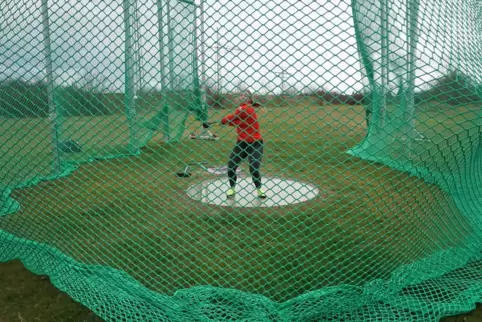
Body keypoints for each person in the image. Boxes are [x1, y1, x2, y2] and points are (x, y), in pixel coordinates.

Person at [219, 90, 266, 199]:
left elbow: (231, 118)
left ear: (249, 99)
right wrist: (228, 121)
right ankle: (232, 188)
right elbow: (236, 121)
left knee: (254, 169)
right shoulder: (243, 109)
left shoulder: (246, 108)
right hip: (242, 143)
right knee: (231, 167)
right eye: (241, 95)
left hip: (255, 144)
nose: (243, 96)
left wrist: (223, 121)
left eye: (245, 95)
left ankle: (260, 189)